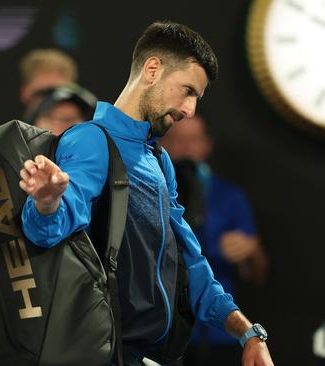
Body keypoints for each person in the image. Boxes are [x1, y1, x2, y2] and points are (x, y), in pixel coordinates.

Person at [18, 21, 274, 366]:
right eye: (187, 91)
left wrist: (247, 332)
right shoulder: (92, 140)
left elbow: (191, 261)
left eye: (195, 97)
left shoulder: (159, 158)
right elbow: (45, 230)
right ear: (152, 69)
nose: (189, 110)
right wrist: (47, 202)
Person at [159, 115, 269, 366]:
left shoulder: (230, 196)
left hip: (220, 332)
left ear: (207, 144)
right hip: (163, 331)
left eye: (193, 139)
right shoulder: (153, 193)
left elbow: (258, 273)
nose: (186, 147)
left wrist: (251, 250)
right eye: (178, 139)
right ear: (164, 144)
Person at [24, 83, 98, 136]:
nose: (60, 127)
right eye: (51, 119)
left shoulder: (101, 155)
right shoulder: (17, 156)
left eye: (70, 119)